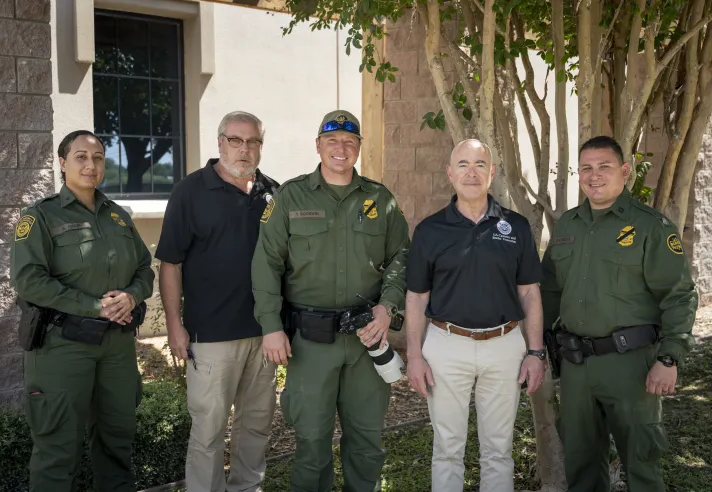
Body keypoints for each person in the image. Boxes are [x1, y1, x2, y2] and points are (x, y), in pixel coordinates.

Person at [251, 109, 409, 492]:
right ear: (318, 145)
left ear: (358, 148)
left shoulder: (379, 198)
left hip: (366, 342)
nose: (341, 148)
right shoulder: (290, 196)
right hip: (310, 344)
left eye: (350, 142)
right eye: (333, 141)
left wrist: (387, 307)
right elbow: (266, 263)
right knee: (311, 444)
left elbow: (402, 257)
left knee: (367, 442)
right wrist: (271, 327)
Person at [540, 136, 698, 492]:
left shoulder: (650, 227)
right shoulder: (567, 226)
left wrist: (669, 358)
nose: (594, 176)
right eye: (586, 169)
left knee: (641, 465)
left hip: (631, 366)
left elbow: (678, 296)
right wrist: (539, 348)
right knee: (580, 465)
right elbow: (549, 291)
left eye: (604, 167)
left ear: (625, 172)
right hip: (576, 366)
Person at [11, 130, 154, 492]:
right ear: (62, 163)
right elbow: (29, 281)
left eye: (98, 157)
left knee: (117, 442)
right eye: (81, 157)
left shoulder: (118, 216)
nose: (91, 165)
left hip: (116, 348)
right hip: (63, 347)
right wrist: (95, 307)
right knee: (58, 450)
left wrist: (132, 297)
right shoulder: (40, 217)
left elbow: (143, 268)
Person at [404, 139, 546, 492]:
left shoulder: (514, 226)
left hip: (505, 346)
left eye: (480, 164)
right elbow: (417, 298)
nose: (472, 172)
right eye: (463, 164)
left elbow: (529, 292)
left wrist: (535, 352)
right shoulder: (429, 231)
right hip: (446, 345)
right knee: (447, 449)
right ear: (450, 174)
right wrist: (414, 355)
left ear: (492, 173)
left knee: (499, 450)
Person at [156, 111, 279, 492]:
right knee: (208, 430)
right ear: (220, 142)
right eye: (236, 140)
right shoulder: (190, 191)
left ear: (260, 146)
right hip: (210, 335)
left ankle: (247, 487)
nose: (244, 149)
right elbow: (170, 263)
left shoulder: (274, 193)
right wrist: (175, 325)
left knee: (255, 425)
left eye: (252, 142)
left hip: (264, 334)